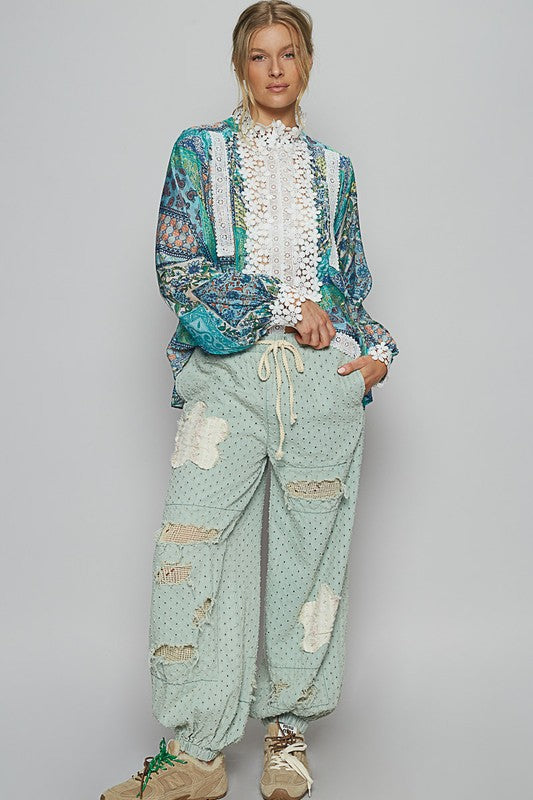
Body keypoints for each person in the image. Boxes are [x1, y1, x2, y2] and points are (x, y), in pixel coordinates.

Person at [100, 2, 399, 799]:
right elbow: (177, 268)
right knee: (193, 545)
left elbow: (349, 286)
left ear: (306, 63)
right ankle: (197, 753)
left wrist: (375, 354)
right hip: (228, 376)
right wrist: (279, 304)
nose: (274, 69)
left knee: (309, 559)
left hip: (323, 383)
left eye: (287, 53)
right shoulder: (198, 152)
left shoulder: (334, 169)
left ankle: (286, 735)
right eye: (259, 55)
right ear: (240, 66)